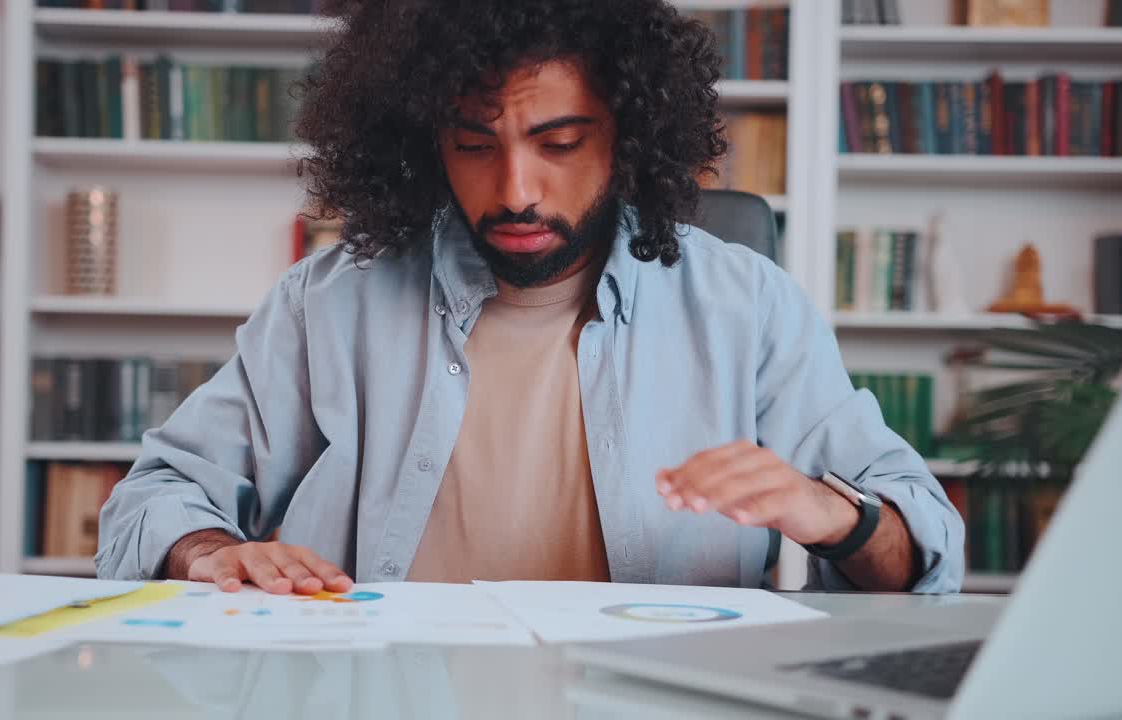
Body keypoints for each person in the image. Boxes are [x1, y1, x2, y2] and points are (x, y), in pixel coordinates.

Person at [97, 0, 964, 595]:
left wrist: (830, 516)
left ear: (628, 133)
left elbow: (925, 561)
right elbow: (152, 495)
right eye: (475, 144)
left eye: (559, 141)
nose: (514, 189)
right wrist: (211, 552)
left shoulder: (749, 308)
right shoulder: (328, 304)